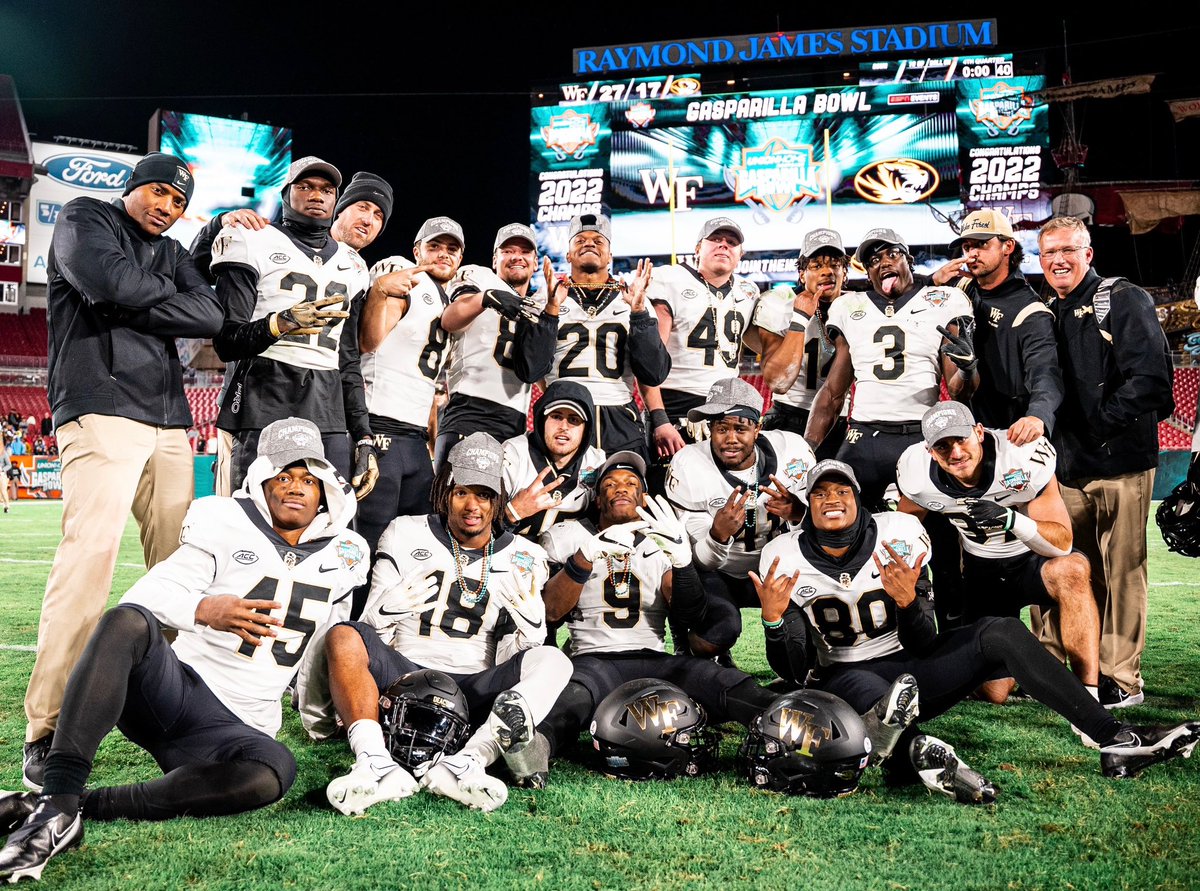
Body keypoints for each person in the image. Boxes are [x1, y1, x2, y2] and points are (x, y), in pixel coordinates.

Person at [0, 418, 367, 882]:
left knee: (274, 771)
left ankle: (67, 807)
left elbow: (321, 647)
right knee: (125, 623)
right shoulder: (227, 520)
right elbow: (145, 596)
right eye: (284, 476)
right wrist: (203, 609)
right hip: (175, 695)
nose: (296, 487)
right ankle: (57, 800)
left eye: (308, 480)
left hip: (238, 728)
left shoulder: (348, 552)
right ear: (262, 479)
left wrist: (320, 720)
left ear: (325, 492)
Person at [754, 460, 1198, 804]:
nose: (831, 499)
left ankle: (1112, 737)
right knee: (875, 695)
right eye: (819, 493)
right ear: (807, 504)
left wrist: (908, 603)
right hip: (846, 675)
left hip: (911, 665)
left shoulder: (899, 533)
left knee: (1000, 632)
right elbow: (793, 670)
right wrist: (775, 622)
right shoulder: (783, 555)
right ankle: (924, 755)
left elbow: (924, 641)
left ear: (857, 498)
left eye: (841, 490)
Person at [24, 152, 223, 791]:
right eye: (158, 191)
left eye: (178, 201)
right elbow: (110, 282)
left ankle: (173, 716)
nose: (166, 207)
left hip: (168, 420)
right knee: (90, 563)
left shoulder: (173, 251)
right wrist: (154, 298)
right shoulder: (84, 216)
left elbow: (211, 315)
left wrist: (133, 301)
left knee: (184, 567)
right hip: (99, 406)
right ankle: (48, 728)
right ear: (132, 186)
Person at [306, 433, 572, 813]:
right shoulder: (405, 531)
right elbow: (370, 634)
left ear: (498, 500)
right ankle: (373, 762)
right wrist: (383, 612)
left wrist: (531, 634)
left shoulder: (525, 556)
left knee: (554, 659)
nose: (472, 506)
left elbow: (509, 662)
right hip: (404, 674)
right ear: (446, 491)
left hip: (474, 683)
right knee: (345, 635)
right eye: (462, 492)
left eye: (484, 495)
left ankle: (469, 761)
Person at [533, 451, 779, 779]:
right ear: (598, 499)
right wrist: (582, 559)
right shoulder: (567, 536)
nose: (621, 488)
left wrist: (682, 562)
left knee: (724, 681)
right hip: (593, 660)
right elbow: (549, 613)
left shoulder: (660, 536)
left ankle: (793, 720)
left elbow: (689, 613)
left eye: (631, 483)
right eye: (610, 484)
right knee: (570, 701)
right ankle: (535, 749)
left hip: (654, 659)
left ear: (644, 497)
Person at [1039, 216, 1176, 708]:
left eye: (1068, 250)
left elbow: (1153, 380)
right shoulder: (1047, 310)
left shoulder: (1120, 297)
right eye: (1049, 252)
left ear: (1088, 254)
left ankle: (1122, 677)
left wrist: (1098, 425)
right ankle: (1079, 669)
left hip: (1120, 462)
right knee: (1076, 570)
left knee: (1123, 572)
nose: (1059, 260)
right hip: (1069, 466)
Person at [896, 402, 1100, 707]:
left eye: (961, 439)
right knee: (994, 694)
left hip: (1032, 560)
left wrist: (1010, 519)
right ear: (930, 451)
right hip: (982, 572)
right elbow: (903, 528)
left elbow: (1061, 544)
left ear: (979, 433)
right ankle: (1022, 659)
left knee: (1072, 569)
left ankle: (1088, 694)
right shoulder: (917, 474)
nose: (955, 453)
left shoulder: (1020, 456)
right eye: (942, 446)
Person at [209, 156, 377, 498]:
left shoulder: (354, 265)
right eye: (305, 186)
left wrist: (363, 436)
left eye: (326, 190)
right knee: (248, 516)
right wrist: (280, 323)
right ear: (286, 193)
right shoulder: (250, 237)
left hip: (327, 405)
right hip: (261, 394)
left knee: (328, 521)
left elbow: (347, 361)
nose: (317, 195)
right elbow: (226, 342)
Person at [804, 228, 977, 510]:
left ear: (909, 260)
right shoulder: (849, 306)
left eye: (892, 254)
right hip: (864, 435)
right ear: (868, 273)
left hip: (921, 434)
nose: (883, 263)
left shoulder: (944, 300)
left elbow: (958, 391)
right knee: (836, 514)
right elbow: (833, 392)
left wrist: (968, 370)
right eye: (873, 260)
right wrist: (807, 448)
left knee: (937, 526)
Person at [665, 377, 814, 656]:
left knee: (804, 635)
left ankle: (812, 668)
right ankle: (687, 644)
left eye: (740, 428)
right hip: (720, 573)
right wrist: (718, 536)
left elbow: (821, 534)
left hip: (778, 567)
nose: (730, 439)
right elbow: (702, 561)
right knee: (715, 635)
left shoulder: (793, 452)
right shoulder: (689, 465)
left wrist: (799, 514)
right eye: (721, 428)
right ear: (710, 428)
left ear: (758, 428)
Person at [516, 213, 671, 460]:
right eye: (580, 240)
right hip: (564, 413)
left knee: (624, 483)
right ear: (568, 255)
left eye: (598, 241)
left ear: (610, 256)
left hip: (618, 415)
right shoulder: (544, 298)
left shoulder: (634, 299)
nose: (589, 243)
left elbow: (654, 373)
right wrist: (551, 312)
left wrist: (639, 314)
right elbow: (530, 370)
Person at [354, 216, 466, 555]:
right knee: (368, 541)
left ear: (460, 258)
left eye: (452, 249)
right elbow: (369, 341)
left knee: (412, 545)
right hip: (380, 426)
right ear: (417, 251)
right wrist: (381, 290)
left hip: (415, 439)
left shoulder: (448, 302)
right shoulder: (408, 279)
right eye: (434, 246)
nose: (443, 254)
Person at [932, 209, 1062, 445]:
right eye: (967, 247)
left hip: (1008, 436)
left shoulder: (1030, 311)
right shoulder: (961, 289)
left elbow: (1046, 374)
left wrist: (1037, 415)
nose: (972, 254)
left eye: (982, 244)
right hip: (966, 432)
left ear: (1008, 246)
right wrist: (931, 283)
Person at [641, 217, 759, 472]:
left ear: (740, 255)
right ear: (697, 249)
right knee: (673, 483)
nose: (723, 245)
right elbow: (649, 361)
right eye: (715, 239)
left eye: (731, 242)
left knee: (726, 487)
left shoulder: (749, 291)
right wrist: (659, 418)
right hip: (676, 404)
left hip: (727, 406)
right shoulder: (670, 280)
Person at [435, 223, 544, 465]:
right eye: (508, 251)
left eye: (525, 251)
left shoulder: (538, 306)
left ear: (535, 262)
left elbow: (541, 374)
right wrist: (486, 298)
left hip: (515, 424)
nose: (517, 256)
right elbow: (450, 319)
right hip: (471, 411)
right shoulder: (480, 278)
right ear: (495, 259)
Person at [750, 228, 850, 458]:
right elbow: (779, 382)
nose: (827, 271)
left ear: (844, 273)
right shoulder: (780, 302)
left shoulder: (856, 307)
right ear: (802, 274)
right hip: (788, 415)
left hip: (836, 419)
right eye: (816, 265)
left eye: (835, 265)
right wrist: (800, 319)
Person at [501, 379, 605, 544]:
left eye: (574, 419)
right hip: (510, 553)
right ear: (542, 420)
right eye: (556, 416)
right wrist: (512, 512)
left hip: (569, 558)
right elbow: (478, 527)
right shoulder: (514, 454)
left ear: (586, 429)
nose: (564, 426)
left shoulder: (596, 461)